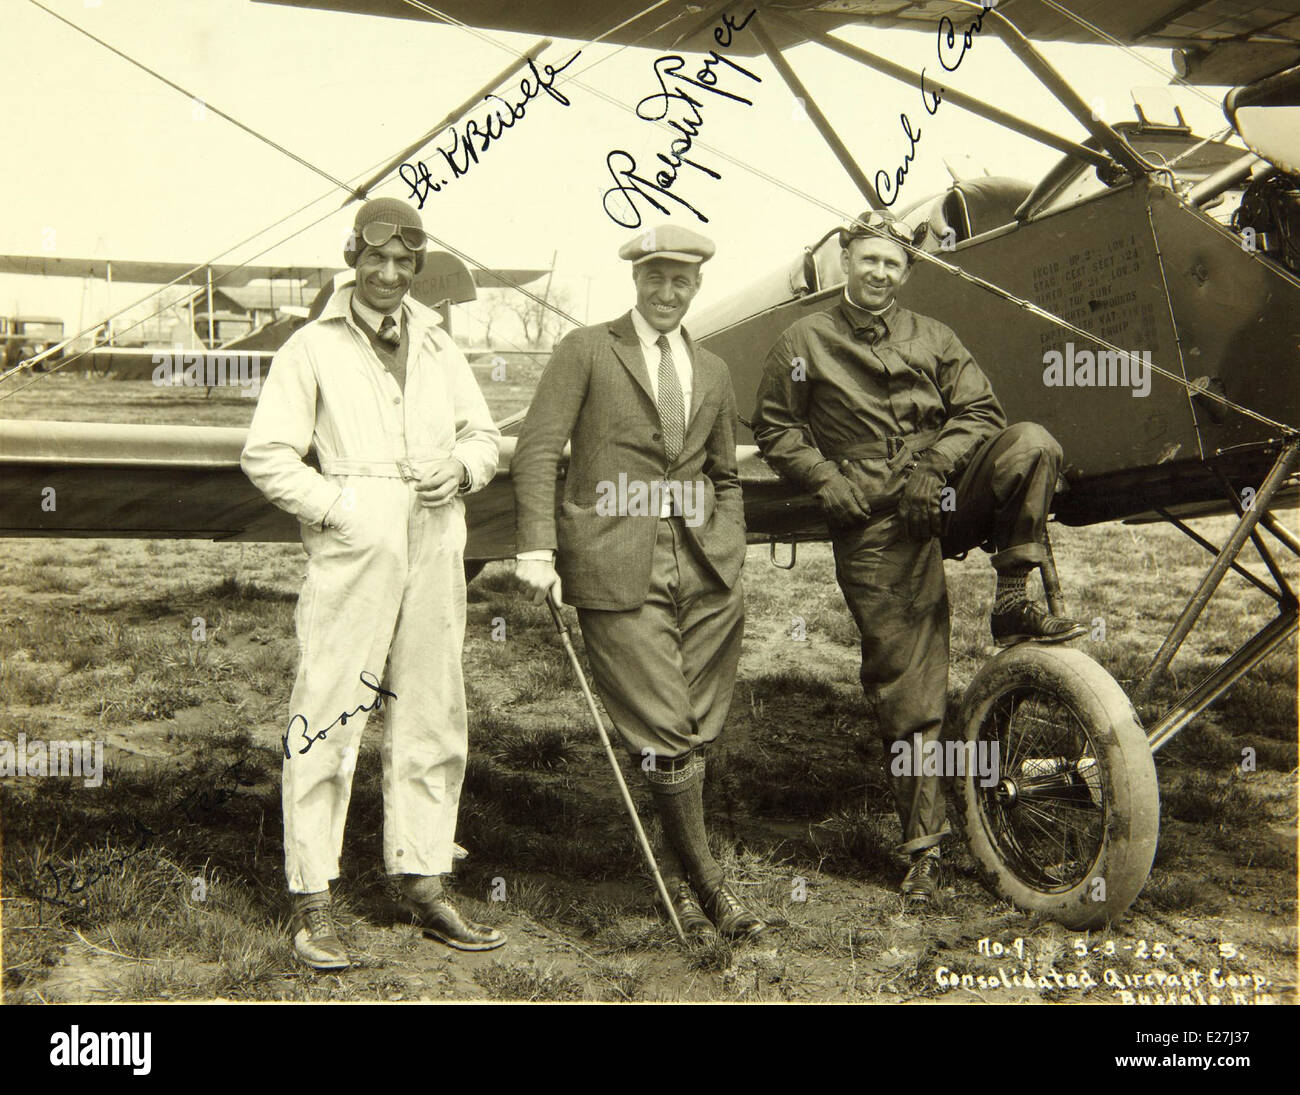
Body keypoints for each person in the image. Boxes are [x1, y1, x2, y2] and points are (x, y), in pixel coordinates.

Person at [751, 209, 1085, 903]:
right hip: (875, 523)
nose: (879, 273)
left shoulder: (933, 336)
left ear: (906, 272)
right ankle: (924, 847)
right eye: (868, 259)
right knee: (909, 686)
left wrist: (936, 465)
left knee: (1034, 444)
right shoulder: (803, 339)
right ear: (847, 260)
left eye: (892, 264)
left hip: (943, 493)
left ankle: (1012, 598)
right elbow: (776, 428)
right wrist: (825, 479)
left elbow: (982, 414)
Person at [241, 197, 505, 968]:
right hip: (357, 542)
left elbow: (484, 434)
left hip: (435, 533)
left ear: (417, 267)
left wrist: (460, 468)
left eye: (404, 263)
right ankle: (313, 896)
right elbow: (268, 454)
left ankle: (424, 879)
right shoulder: (311, 346)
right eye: (376, 259)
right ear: (353, 256)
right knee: (330, 704)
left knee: (432, 702)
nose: (389, 275)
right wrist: (339, 508)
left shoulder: (437, 342)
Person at [512, 225, 766, 941]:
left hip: (706, 572)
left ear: (698, 286)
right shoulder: (587, 349)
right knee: (663, 723)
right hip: (615, 566)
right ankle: (712, 890)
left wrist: (730, 548)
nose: (667, 292)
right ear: (636, 279)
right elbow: (537, 450)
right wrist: (537, 547)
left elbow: (725, 473)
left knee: (694, 728)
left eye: (681, 280)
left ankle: (677, 863)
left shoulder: (712, 368)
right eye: (655, 277)